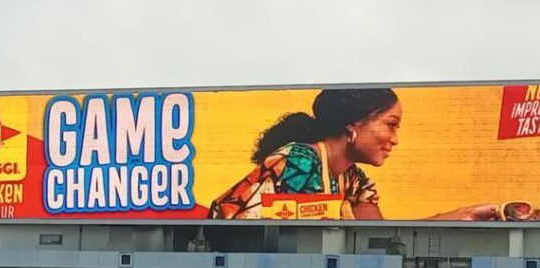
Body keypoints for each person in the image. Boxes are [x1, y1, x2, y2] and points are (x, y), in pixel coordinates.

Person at [208, 87, 499, 221]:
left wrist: (461, 216)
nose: (395, 140)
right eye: (391, 125)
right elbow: (312, 240)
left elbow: (382, 242)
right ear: (354, 126)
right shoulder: (300, 159)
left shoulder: (354, 179)